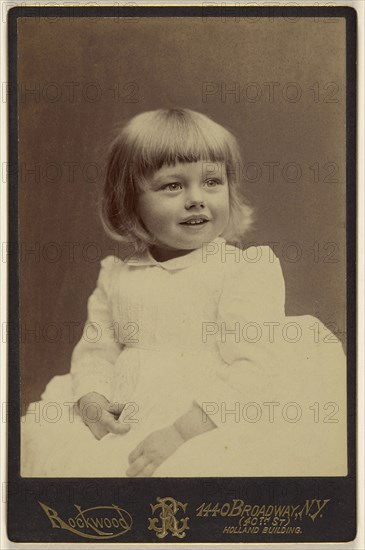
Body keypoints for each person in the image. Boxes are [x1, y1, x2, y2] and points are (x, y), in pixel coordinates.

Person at [21, 108, 347, 477]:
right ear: (129, 203)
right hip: (129, 418)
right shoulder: (117, 277)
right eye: (173, 185)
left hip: (206, 420)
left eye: (211, 181)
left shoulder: (241, 271)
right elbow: (96, 354)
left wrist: (180, 432)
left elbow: (253, 372)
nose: (196, 199)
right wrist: (92, 399)